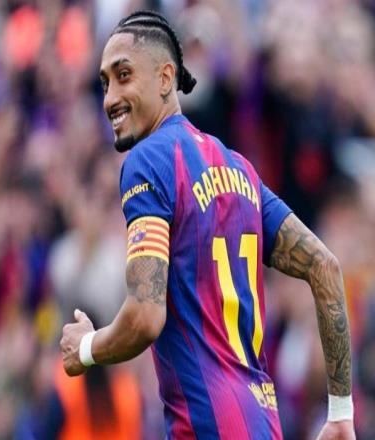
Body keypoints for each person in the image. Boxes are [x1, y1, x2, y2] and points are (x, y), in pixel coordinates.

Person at [60, 10, 355, 440]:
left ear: (165, 78)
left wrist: (86, 348)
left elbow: (145, 316)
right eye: (105, 83)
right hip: (262, 422)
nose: (110, 98)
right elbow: (324, 266)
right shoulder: (241, 170)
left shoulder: (148, 161)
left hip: (207, 425)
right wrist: (341, 412)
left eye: (124, 76)